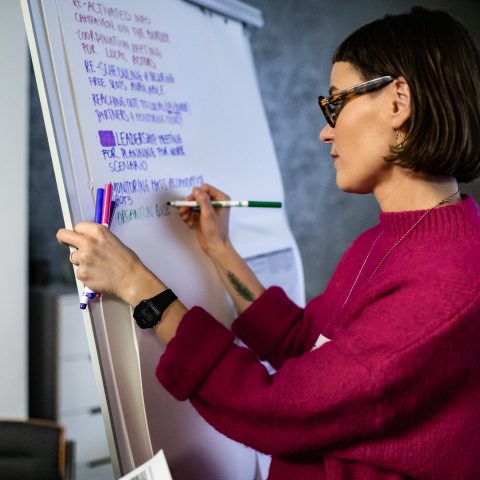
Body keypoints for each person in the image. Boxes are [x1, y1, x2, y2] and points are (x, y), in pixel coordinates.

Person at [57, 6, 480, 479]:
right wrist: (220, 249)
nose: (325, 131)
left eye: (336, 104)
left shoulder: (448, 284)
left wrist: (137, 284)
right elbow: (304, 345)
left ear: (398, 101)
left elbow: (280, 409)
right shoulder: (389, 238)